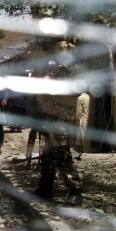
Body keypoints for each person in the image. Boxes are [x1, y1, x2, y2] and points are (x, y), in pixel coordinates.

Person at [32, 64, 83, 206]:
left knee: (62, 157)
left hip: (62, 123)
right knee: (47, 157)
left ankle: (75, 190)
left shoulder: (70, 71)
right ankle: (45, 188)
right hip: (50, 120)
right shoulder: (56, 69)